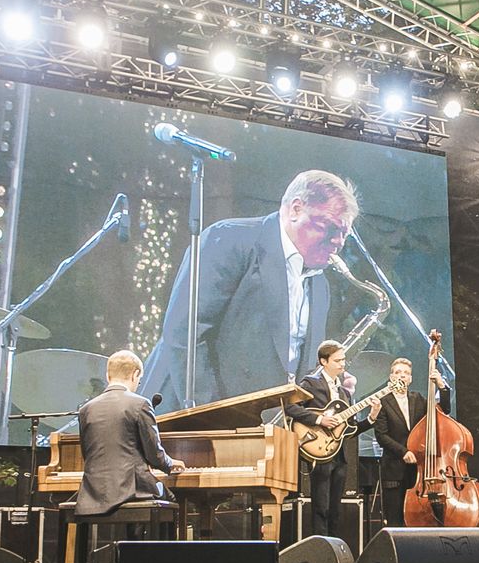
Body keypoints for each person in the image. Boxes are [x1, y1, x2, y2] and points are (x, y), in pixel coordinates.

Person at [139, 170, 359, 409]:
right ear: (296, 209)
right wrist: (214, 413)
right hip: (186, 413)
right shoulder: (229, 238)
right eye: (329, 227)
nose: (338, 241)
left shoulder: (320, 284)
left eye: (344, 234)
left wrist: (328, 387)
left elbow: (298, 367)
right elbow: (185, 334)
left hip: (258, 420)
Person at [285, 340, 380, 539]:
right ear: (323, 361)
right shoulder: (311, 383)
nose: (342, 364)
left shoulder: (344, 393)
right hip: (319, 450)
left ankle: (334, 547)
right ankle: (321, 548)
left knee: (335, 509)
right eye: (337, 360)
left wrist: (371, 418)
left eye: (343, 360)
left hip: (339, 454)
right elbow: (290, 407)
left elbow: (350, 430)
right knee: (321, 506)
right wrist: (319, 419)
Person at [76, 350, 186, 518]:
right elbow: (154, 455)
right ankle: (145, 536)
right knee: (171, 498)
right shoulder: (140, 404)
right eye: (139, 380)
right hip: (132, 489)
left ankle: (130, 535)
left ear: (108, 375)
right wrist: (170, 464)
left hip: (92, 491)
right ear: (135, 374)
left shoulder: (86, 409)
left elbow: (87, 453)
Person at [373, 355, 450, 526]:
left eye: (406, 373)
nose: (402, 375)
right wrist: (404, 452)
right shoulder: (382, 402)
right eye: (398, 372)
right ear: (391, 377)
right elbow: (381, 436)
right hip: (394, 468)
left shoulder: (418, 399)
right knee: (395, 519)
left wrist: (441, 385)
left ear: (410, 379)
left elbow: (443, 411)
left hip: (418, 469)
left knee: (418, 519)